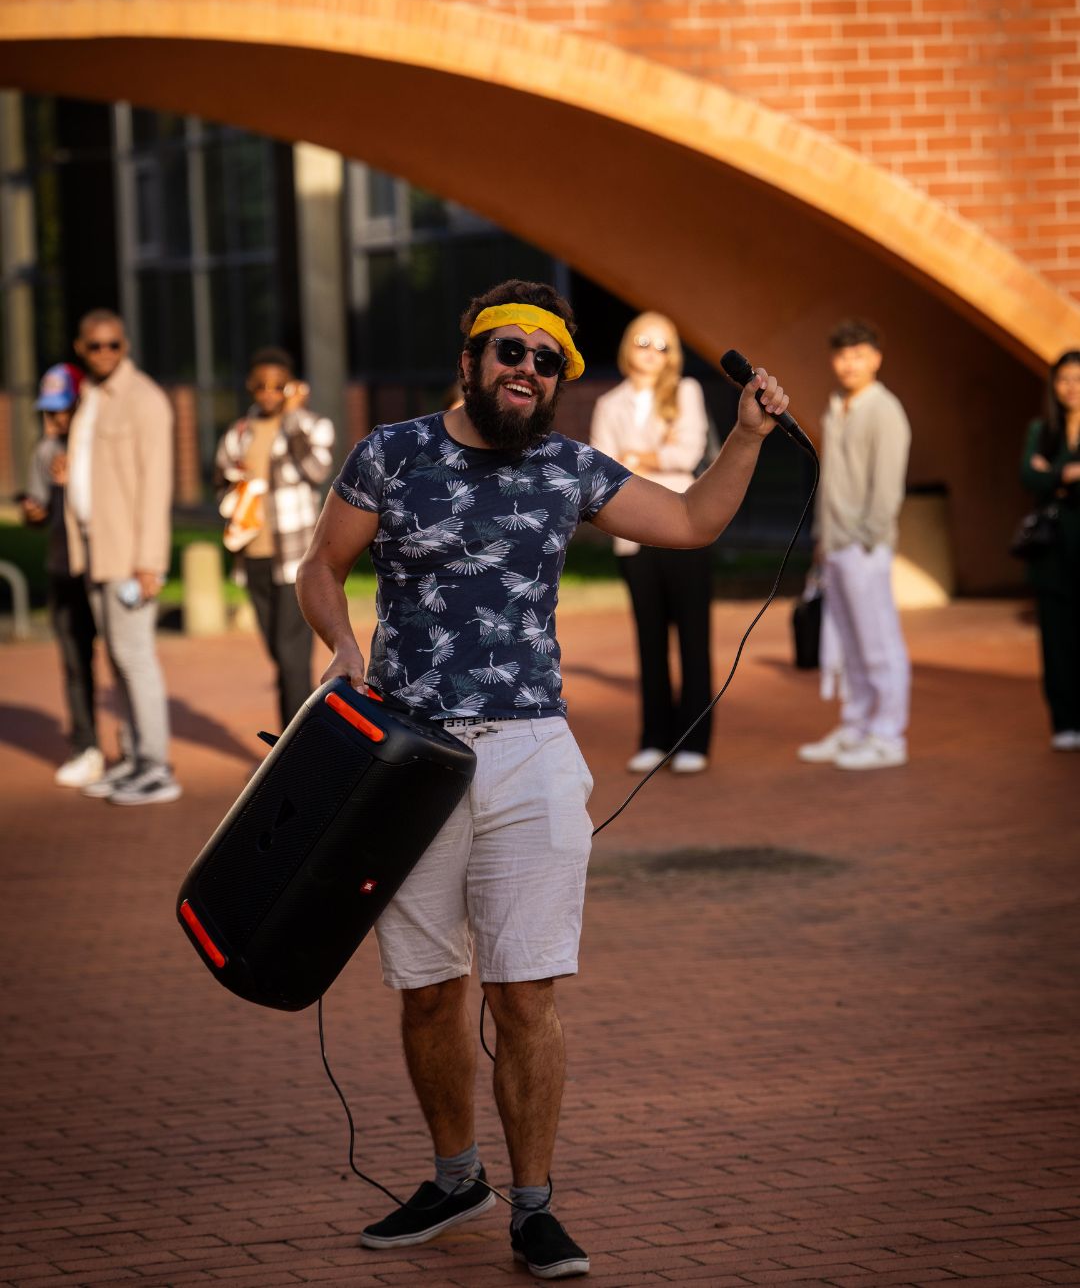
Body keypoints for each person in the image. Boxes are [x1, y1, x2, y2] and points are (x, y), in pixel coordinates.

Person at [296, 278, 791, 1280]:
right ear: (471, 361)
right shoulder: (390, 454)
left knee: (525, 995)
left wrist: (746, 436)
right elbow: (319, 566)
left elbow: (691, 521)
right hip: (409, 758)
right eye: (509, 349)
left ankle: (534, 1207)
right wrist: (342, 644)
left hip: (530, 752)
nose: (527, 367)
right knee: (428, 991)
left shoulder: (568, 467)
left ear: (559, 380)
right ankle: (455, 1178)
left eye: (547, 359)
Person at [64, 308, 180, 805]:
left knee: (135, 657)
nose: (105, 353)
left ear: (125, 346)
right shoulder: (89, 396)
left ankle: (157, 767)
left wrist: (149, 560)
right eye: (95, 345)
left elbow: (156, 486)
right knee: (117, 658)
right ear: (81, 348)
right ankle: (133, 759)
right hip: (94, 548)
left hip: (131, 556)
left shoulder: (145, 399)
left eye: (113, 344)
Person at [589, 312, 713, 774]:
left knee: (694, 638)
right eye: (643, 341)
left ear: (672, 354)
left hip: (683, 527)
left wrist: (636, 457)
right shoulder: (608, 403)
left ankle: (695, 740)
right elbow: (602, 468)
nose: (651, 352)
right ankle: (655, 738)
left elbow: (689, 452)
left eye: (662, 345)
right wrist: (654, 457)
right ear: (628, 346)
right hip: (633, 535)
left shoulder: (687, 392)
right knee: (649, 640)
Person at [798, 318, 911, 771]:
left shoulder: (884, 410)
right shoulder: (837, 407)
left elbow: (887, 486)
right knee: (849, 641)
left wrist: (866, 539)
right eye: (843, 356)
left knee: (879, 642)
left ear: (876, 359)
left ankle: (888, 736)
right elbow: (830, 481)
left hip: (865, 546)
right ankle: (856, 726)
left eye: (859, 355)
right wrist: (823, 537)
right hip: (836, 545)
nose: (850, 364)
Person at [214, 348, 335, 729]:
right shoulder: (239, 432)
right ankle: (301, 737)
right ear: (250, 386)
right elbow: (220, 481)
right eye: (260, 385)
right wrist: (234, 487)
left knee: (291, 654)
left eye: (277, 386)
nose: (268, 393)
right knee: (278, 653)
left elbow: (316, 470)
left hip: (296, 557)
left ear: (292, 387)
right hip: (253, 554)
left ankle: (297, 743)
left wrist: (293, 418)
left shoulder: (312, 426)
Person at [20, 363, 102, 787]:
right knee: (74, 663)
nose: (54, 418)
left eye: (62, 408)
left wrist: (75, 483)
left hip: (101, 567)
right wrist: (33, 511)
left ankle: (135, 750)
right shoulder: (45, 450)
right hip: (62, 568)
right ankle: (86, 746)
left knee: (122, 661)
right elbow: (36, 513)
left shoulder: (98, 445)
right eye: (48, 410)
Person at [1020, 349, 1080, 750]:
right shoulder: (1041, 430)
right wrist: (1067, 474)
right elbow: (1028, 475)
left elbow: (1043, 476)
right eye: (1063, 379)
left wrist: (1051, 474)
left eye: (1078, 379)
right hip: (1052, 551)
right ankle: (1064, 721)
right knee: (1057, 639)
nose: (1071, 387)